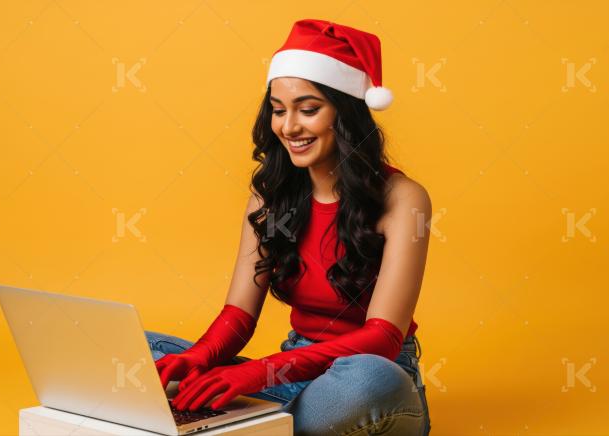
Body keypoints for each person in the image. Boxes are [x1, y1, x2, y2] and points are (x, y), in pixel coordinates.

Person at [147, 18, 432, 435]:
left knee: (369, 383)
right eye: (278, 111)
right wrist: (201, 357)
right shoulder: (269, 197)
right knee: (141, 354)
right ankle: (266, 424)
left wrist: (257, 375)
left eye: (309, 109)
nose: (289, 127)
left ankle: (255, 423)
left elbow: (382, 339)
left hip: (365, 381)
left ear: (347, 112)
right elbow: (238, 316)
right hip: (290, 381)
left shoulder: (403, 199)